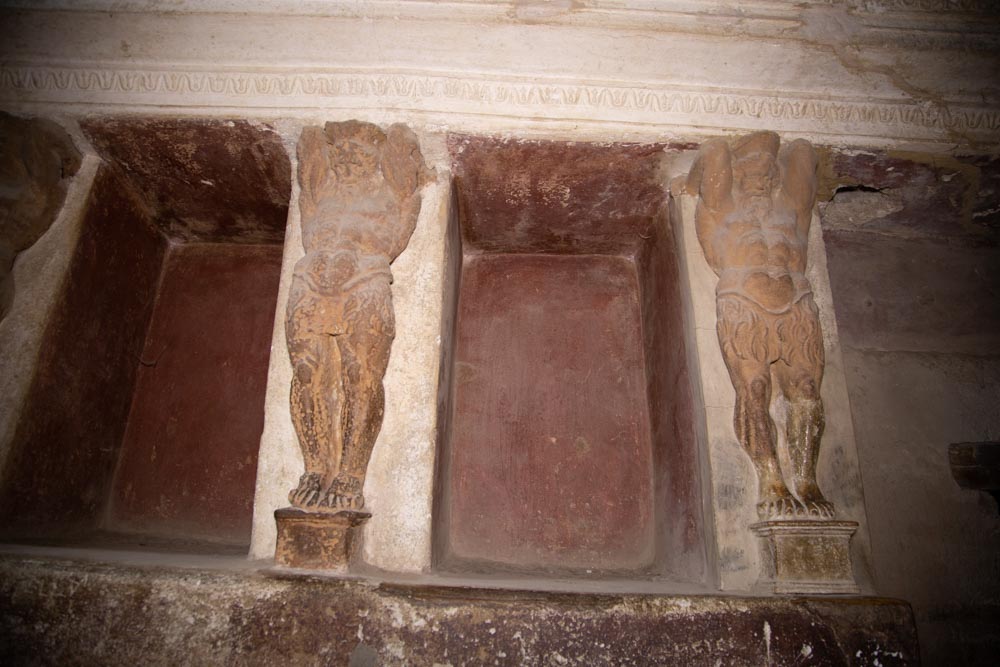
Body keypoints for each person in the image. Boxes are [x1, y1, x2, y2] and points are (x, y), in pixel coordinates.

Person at [679, 131, 834, 519]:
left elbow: (804, 156)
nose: (759, 180)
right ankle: (770, 480)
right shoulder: (723, 212)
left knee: (807, 390)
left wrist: (778, 145)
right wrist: (736, 143)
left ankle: (807, 480)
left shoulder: (790, 214)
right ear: (736, 173)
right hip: (744, 304)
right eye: (750, 172)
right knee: (755, 389)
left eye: (767, 173)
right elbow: (714, 152)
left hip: (796, 305)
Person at [286, 121, 425, 512]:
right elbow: (309, 163)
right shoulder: (323, 193)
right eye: (341, 152)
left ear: (375, 158)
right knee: (307, 373)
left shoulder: (390, 193)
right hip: (310, 281)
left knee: (360, 375)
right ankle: (315, 467)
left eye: (359, 153)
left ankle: (350, 472)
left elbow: (404, 161)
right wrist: (315, 140)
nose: (348, 158)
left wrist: (398, 141)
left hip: (364, 280)